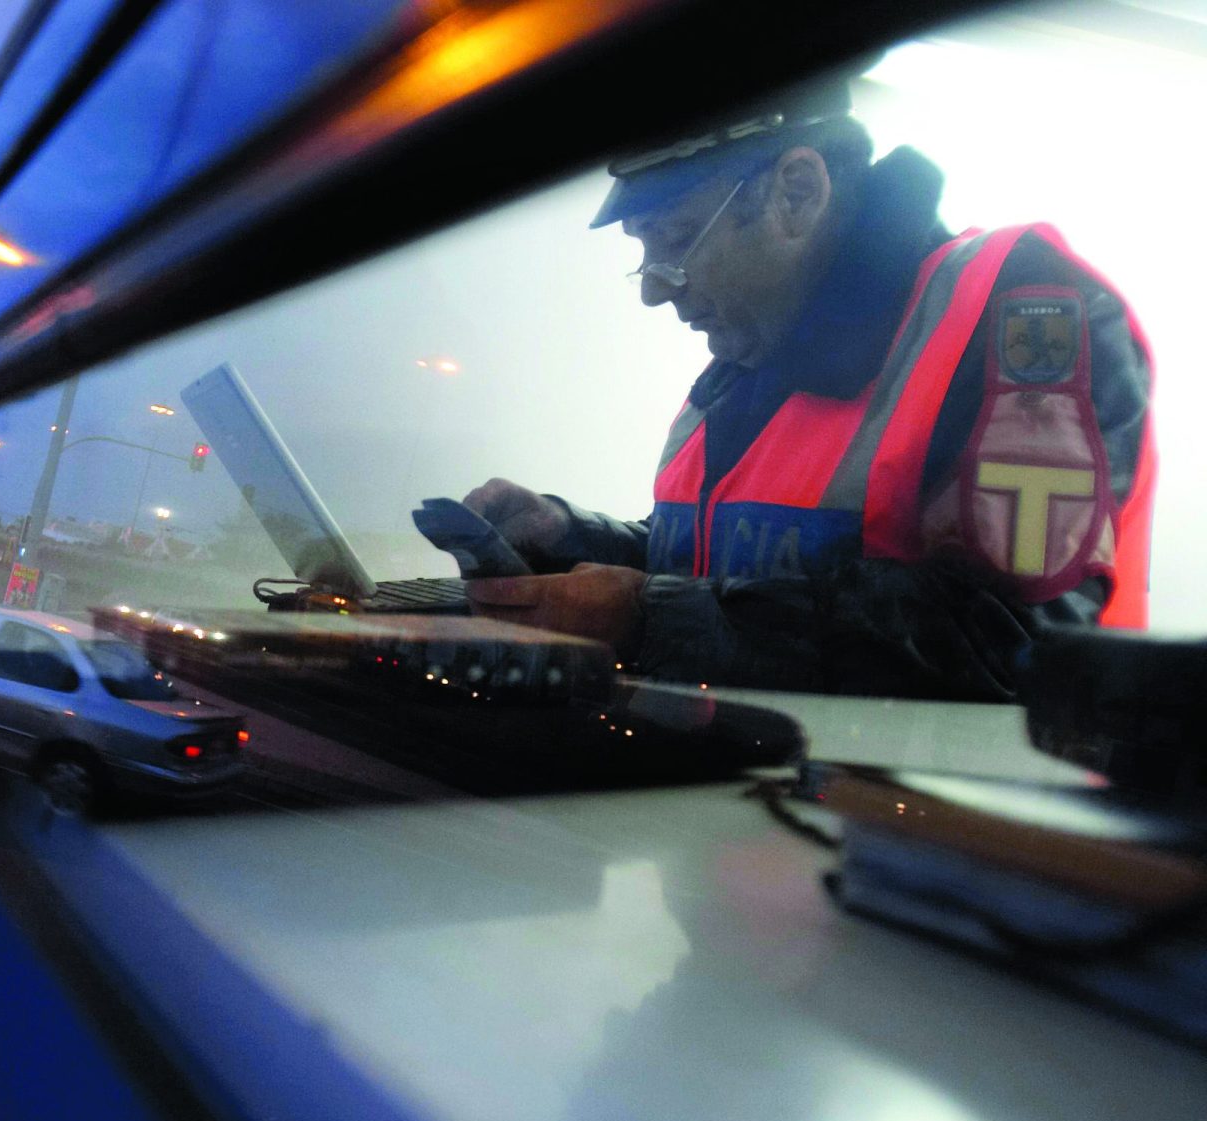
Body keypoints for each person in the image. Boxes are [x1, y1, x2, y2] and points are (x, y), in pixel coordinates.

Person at [461, 80, 1156, 701]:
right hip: (751, 819)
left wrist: (645, 616)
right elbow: (716, 566)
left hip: (962, 838)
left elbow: (1009, 635)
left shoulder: (1023, 314)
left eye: (673, 240)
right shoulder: (754, 348)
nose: (651, 288)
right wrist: (571, 539)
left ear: (797, 193)